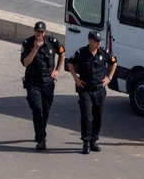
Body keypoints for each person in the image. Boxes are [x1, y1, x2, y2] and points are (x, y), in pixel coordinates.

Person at [66, 31, 116, 155]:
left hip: (99, 89)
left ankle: (94, 140)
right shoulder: (81, 52)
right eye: (96, 41)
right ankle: (86, 142)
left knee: (97, 116)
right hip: (85, 89)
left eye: (100, 41)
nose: (99, 43)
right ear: (90, 41)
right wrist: (75, 78)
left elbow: (114, 62)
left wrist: (109, 78)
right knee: (87, 116)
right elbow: (70, 62)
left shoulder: (103, 53)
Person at [20, 21, 65, 151]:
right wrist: (35, 48)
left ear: (45, 32)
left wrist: (57, 70)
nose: (39, 34)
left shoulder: (52, 41)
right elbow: (25, 63)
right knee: (37, 109)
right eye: (37, 31)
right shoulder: (27, 43)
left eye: (42, 32)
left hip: (48, 82)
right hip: (33, 82)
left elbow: (62, 53)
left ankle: (40, 129)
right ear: (34, 31)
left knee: (45, 110)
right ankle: (41, 139)